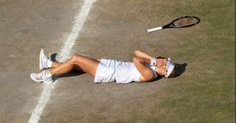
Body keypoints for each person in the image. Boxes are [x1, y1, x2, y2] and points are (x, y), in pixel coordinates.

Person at [30, 49, 175, 84]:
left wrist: (153, 62)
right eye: (166, 61)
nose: (164, 62)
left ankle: (48, 75)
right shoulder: (153, 64)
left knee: (76, 58)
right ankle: (48, 64)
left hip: (109, 72)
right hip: (110, 64)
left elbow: (136, 60)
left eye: (166, 65)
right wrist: (153, 59)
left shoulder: (150, 74)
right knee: (77, 65)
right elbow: (136, 51)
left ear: (164, 72)